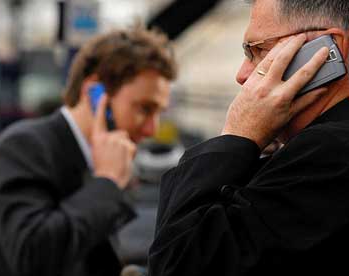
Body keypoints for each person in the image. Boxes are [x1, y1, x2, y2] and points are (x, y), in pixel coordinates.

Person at [148, 0, 349, 275]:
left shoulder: (329, 152)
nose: (242, 75)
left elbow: (179, 262)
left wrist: (237, 132)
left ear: (329, 51)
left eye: (258, 51)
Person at [0, 26, 177, 276]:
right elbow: (32, 255)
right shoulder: (24, 147)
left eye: (158, 113)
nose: (152, 129)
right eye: (144, 108)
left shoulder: (101, 163)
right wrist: (107, 182)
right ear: (96, 94)